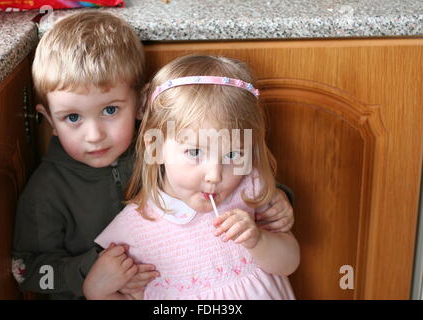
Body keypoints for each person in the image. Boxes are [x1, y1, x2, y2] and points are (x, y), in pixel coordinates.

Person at [12, 13, 294, 300]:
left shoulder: (167, 149)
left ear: (141, 103)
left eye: (110, 110)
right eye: (72, 117)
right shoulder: (46, 191)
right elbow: (27, 272)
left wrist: (275, 199)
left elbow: (224, 175)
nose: (94, 134)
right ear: (49, 120)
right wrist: (87, 271)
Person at [94, 55, 300, 300]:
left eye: (233, 154)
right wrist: (96, 290)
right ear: (155, 148)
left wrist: (258, 240)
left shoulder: (249, 189)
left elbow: (289, 263)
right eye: (194, 152)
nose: (215, 175)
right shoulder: (135, 228)